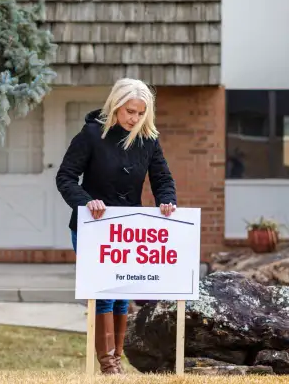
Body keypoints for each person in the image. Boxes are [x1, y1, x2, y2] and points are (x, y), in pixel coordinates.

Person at [56, 78, 177, 375]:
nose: (133, 118)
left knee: (122, 293)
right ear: (115, 106)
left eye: (139, 113)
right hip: (93, 226)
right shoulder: (91, 135)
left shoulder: (148, 139)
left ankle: (116, 359)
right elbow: (66, 177)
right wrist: (86, 201)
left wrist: (167, 200)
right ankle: (108, 363)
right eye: (129, 111)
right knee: (105, 292)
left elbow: (162, 178)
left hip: (128, 230)